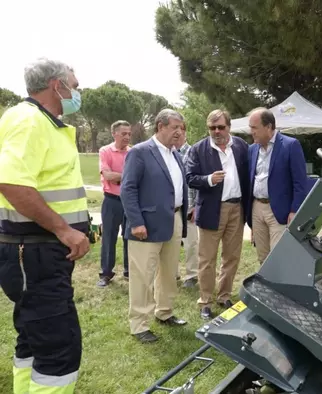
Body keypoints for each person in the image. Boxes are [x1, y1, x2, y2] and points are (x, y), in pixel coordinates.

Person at [0, 58, 90, 394]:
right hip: (35, 253)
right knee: (58, 350)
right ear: (57, 85)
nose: (77, 91)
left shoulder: (41, 122)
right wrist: (64, 230)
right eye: (75, 85)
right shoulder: (29, 120)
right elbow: (10, 182)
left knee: (33, 339)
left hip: (34, 254)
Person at [121, 108, 189, 343]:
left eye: (181, 128)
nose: (179, 132)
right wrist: (136, 222)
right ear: (160, 127)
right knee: (143, 276)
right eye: (174, 128)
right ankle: (139, 325)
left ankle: (164, 312)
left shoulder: (176, 154)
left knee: (169, 272)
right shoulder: (140, 152)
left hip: (174, 219)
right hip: (146, 225)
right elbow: (127, 189)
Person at [185, 109, 249, 319]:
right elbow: (190, 178)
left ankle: (224, 295)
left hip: (236, 209)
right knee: (207, 259)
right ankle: (205, 301)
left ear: (229, 127)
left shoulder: (240, 146)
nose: (217, 131)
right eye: (212, 128)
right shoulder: (198, 149)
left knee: (231, 256)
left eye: (221, 127)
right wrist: (209, 180)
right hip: (212, 209)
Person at [247, 107, 308, 264]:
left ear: (268, 127)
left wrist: (295, 210)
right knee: (262, 256)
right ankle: (265, 288)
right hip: (256, 208)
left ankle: (280, 288)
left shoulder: (290, 145)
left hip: (280, 210)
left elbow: (300, 182)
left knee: (278, 257)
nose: (251, 132)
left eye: (254, 128)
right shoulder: (252, 149)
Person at [97, 120, 131, 287]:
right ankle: (106, 273)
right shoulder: (105, 151)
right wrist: (127, 177)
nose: (127, 137)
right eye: (123, 133)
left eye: (129, 134)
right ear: (114, 134)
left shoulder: (133, 152)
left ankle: (129, 271)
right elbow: (108, 176)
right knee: (109, 237)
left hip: (129, 201)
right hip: (111, 200)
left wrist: (119, 178)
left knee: (129, 237)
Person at [175, 124, 199, 288]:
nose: (177, 133)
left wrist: (196, 206)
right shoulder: (168, 153)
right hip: (172, 207)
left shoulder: (193, 152)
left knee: (191, 243)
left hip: (189, 206)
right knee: (172, 243)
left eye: (180, 130)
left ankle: (192, 275)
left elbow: (197, 181)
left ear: (185, 132)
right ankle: (172, 273)